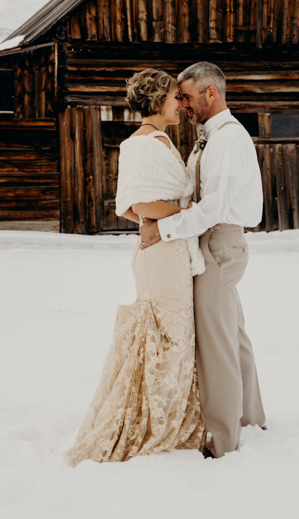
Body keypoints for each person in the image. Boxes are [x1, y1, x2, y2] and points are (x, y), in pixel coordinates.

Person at [65, 69, 205, 465]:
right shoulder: (146, 145)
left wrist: (158, 223)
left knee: (170, 336)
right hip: (163, 257)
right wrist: (186, 213)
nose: (181, 104)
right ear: (159, 101)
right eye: (176, 98)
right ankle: (154, 424)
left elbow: (133, 207)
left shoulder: (149, 142)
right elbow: (139, 206)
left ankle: (165, 416)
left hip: (166, 249)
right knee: (165, 336)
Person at [139, 61, 266, 458]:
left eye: (188, 97)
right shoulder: (210, 136)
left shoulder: (226, 139)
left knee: (216, 345)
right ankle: (249, 416)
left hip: (218, 241)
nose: (183, 105)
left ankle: (223, 439)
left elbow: (212, 208)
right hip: (214, 241)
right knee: (232, 334)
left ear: (212, 93)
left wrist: (162, 230)